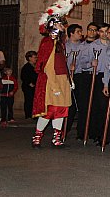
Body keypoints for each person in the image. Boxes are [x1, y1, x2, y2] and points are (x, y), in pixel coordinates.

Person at [31, 14, 72, 148]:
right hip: (51, 81)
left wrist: (68, 80)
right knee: (48, 111)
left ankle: (56, 138)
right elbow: (47, 66)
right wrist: (54, 87)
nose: (62, 27)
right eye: (60, 24)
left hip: (62, 79)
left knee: (61, 110)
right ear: (53, 25)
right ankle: (37, 137)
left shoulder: (59, 43)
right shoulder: (48, 42)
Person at [64, 24, 84, 138]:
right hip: (67, 77)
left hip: (79, 76)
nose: (80, 34)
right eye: (78, 31)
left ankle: (80, 131)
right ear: (71, 33)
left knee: (81, 104)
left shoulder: (83, 47)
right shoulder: (65, 47)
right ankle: (64, 130)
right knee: (68, 103)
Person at [21, 51, 38, 119]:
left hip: (35, 86)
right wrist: (29, 83)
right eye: (34, 57)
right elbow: (24, 77)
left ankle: (34, 114)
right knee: (29, 100)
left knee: (34, 101)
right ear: (29, 58)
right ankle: (28, 115)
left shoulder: (36, 66)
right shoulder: (26, 67)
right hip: (28, 87)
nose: (36, 59)